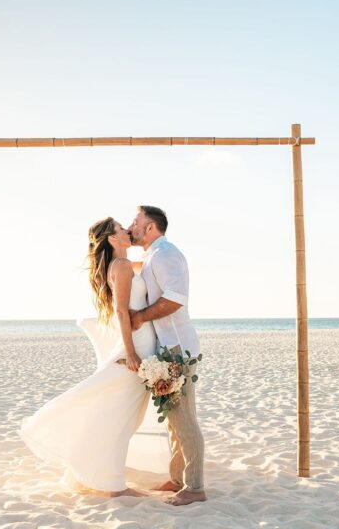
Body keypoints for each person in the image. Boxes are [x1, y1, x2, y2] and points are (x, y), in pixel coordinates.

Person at [19, 217, 158, 497]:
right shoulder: (119, 266)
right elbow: (121, 311)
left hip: (143, 343)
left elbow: (152, 266)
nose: (127, 230)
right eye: (121, 228)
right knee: (121, 416)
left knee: (126, 414)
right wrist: (130, 353)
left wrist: (154, 247)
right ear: (111, 238)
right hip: (136, 346)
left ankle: (91, 470)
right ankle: (113, 485)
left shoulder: (125, 265)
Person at [128, 205, 207, 506]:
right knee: (174, 419)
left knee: (184, 419)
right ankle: (176, 478)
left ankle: (195, 486)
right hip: (167, 346)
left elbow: (175, 299)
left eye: (136, 222)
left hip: (179, 348)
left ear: (151, 228)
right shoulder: (151, 257)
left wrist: (140, 317)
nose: (131, 226)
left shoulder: (165, 255)